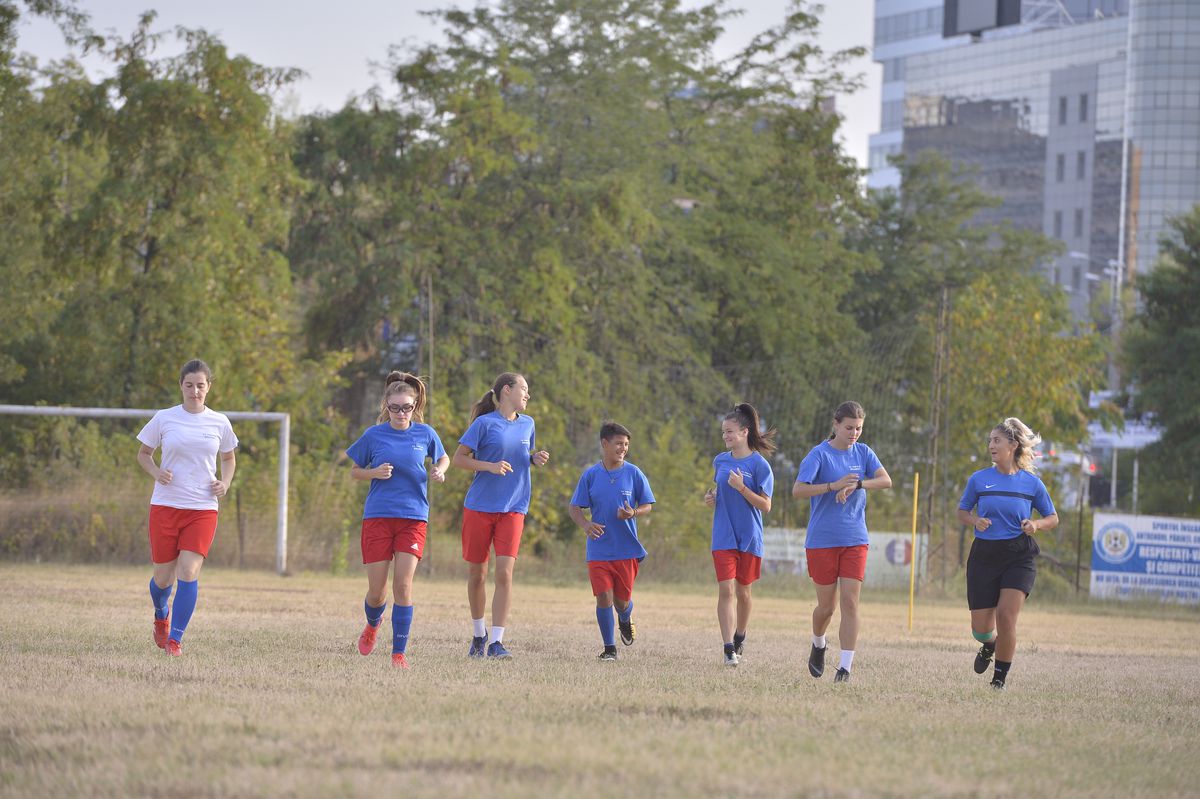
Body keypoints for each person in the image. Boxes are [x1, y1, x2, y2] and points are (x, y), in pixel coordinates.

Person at [346, 371, 448, 669]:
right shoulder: (374, 434)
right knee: (377, 592)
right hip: (378, 516)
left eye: (407, 407)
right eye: (395, 408)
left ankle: (398, 654)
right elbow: (354, 470)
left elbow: (443, 457)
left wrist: (440, 470)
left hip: (414, 517)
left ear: (415, 406)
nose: (401, 413)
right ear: (386, 406)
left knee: (403, 586)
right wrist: (373, 473)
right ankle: (373, 625)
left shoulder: (425, 433)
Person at [136, 359, 238, 657]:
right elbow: (144, 454)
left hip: (202, 508)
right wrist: (157, 473)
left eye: (201, 386)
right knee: (162, 579)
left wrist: (226, 482)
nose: (195, 391)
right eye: (189, 385)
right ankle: (160, 612)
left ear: (209, 387)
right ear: (181, 386)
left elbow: (229, 458)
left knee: (189, 571)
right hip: (166, 506)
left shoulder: (219, 422)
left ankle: (175, 640)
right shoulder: (165, 418)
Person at [451, 372, 550, 659]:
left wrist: (534, 458)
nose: (528, 395)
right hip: (480, 507)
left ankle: (496, 642)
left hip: (514, 508)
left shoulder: (528, 424)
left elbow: (522, 456)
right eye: (524, 389)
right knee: (477, 574)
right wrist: (489, 466)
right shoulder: (484, 424)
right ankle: (478, 634)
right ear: (507, 390)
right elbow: (459, 459)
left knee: (504, 574)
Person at [793, 401, 892, 684]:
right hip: (822, 540)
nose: (854, 433)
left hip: (855, 538)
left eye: (859, 428)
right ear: (835, 425)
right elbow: (798, 490)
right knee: (827, 608)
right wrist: (832, 486)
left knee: (850, 603)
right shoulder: (818, 455)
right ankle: (818, 643)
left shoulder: (864, 452)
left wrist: (858, 484)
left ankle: (845, 668)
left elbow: (885, 481)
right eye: (849, 427)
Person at [956, 417, 1058, 690]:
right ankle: (989, 645)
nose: (991, 445)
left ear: (1013, 445)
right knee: (980, 629)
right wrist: (974, 520)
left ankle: (998, 680)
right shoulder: (979, 479)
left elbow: (1052, 518)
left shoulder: (1032, 484)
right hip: (984, 554)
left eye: (996, 440)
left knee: (1006, 615)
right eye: (990, 440)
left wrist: (1035, 524)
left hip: (1018, 555)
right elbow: (962, 512)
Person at [569, 422, 655, 661]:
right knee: (603, 597)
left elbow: (648, 505)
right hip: (598, 549)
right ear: (604, 444)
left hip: (626, 549)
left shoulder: (634, 473)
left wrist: (634, 513)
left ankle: (625, 618)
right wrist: (586, 525)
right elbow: (574, 507)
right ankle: (610, 649)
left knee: (621, 602)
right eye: (618, 444)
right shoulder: (591, 475)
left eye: (626, 445)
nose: (623, 448)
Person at [704, 403, 776, 667]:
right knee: (726, 590)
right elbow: (720, 489)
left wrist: (743, 488)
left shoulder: (760, 465)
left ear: (745, 432)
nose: (726, 437)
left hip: (749, 537)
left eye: (730, 432)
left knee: (744, 593)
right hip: (723, 536)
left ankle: (740, 636)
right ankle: (727, 649)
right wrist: (712, 497)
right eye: (724, 432)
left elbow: (765, 506)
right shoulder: (720, 461)